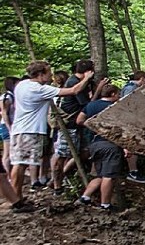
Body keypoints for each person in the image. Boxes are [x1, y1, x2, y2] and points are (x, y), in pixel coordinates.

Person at [10, 60, 93, 199]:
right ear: (41, 74)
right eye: (49, 73)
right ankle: (16, 199)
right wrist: (87, 78)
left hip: (20, 128)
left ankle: (17, 198)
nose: (51, 76)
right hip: (30, 130)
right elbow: (74, 90)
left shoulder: (22, 85)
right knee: (21, 164)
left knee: (20, 163)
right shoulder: (38, 89)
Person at [76, 85, 122, 211]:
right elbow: (121, 129)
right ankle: (105, 204)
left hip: (94, 144)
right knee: (109, 176)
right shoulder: (115, 107)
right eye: (118, 94)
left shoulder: (91, 105)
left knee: (99, 175)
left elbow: (79, 120)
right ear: (112, 94)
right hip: (110, 145)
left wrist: (93, 126)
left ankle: (85, 197)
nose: (119, 97)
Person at [118, 70, 145, 183]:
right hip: (130, 121)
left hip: (132, 120)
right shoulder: (130, 89)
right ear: (141, 79)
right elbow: (128, 105)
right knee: (131, 144)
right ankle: (133, 171)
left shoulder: (129, 87)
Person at [1, 76, 21, 177]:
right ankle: (7, 175)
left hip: (12, 125)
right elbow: (4, 113)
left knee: (11, 152)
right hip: (7, 126)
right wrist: (9, 127)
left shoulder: (13, 96)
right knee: (7, 152)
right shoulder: (7, 97)